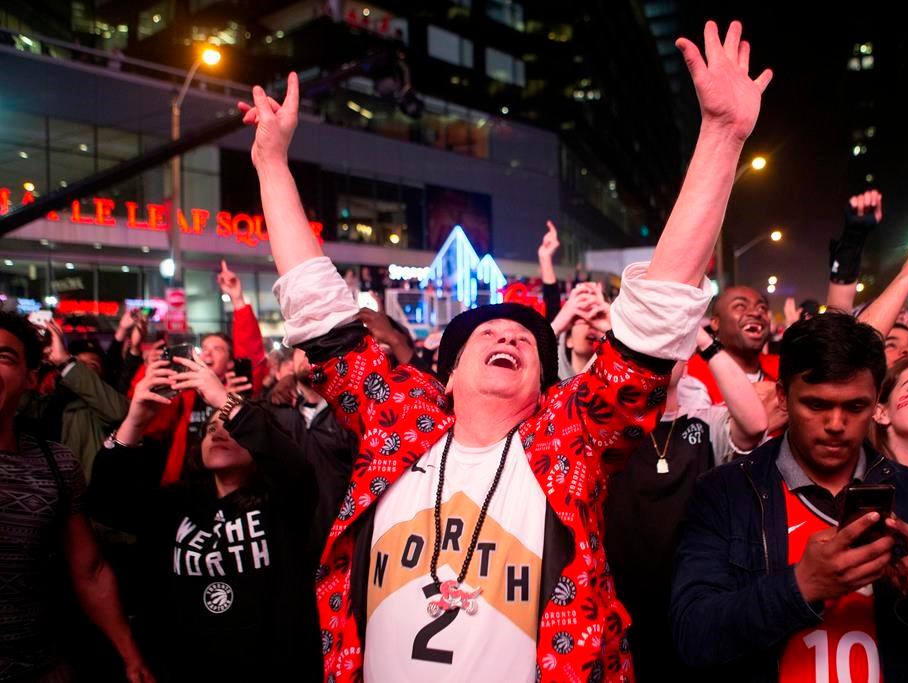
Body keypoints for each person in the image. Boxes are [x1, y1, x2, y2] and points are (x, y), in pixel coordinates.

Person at [239, 18, 771, 681]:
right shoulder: (394, 426)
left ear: (546, 387)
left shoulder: (566, 445)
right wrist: (268, 161)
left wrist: (721, 137)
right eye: (485, 334)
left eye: (525, 339)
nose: (506, 336)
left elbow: (654, 323)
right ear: (448, 374)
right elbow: (318, 307)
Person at [671, 312, 908, 681]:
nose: (836, 424)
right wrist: (800, 587)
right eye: (817, 405)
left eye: (855, 407)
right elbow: (692, 637)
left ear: (875, 404)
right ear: (783, 397)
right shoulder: (725, 493)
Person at [89, 355, 321, 682]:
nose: (219, 432)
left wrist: (223, 399)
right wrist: (134, 422)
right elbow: (106, 503)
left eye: (231, 426)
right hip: (185, 667)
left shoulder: (284, 502)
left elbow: (295, 467)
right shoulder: (177, 502)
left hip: (269, 667)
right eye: (211, 428)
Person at [605, 326, 767, 677]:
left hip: (692, 597)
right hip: (624, 599)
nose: (660, 352)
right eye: (649, 345)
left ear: (686, 360)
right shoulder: (610, 429)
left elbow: (755, 424)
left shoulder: (704, 422)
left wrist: (705, 341)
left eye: (670, 345)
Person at [0, 311, 152, 682]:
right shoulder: (45, 408)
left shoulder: (55, 461)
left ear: (30, 376)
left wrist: (131, 656)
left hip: (40, 666)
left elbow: (91, 571)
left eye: (4, 358)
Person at [135, 260, 264, 484]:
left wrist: (237, 300)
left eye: (218, 349)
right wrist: (150, 372)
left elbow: (251, 353)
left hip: (229, 482)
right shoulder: (185, 392)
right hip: (184, 484)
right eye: (204, 348)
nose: (208, 353)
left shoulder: (238, 388)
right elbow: (150, 422)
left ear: (231, 360)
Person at [266, 347, 358, 547]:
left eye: (315, 346)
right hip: (284, 539)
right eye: (300, 348)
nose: (307, 354)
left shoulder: (350, 413)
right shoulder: (274, 409)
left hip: (339, 538)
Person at [19, 321, 129, 480]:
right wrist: (32, 358)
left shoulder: (100, 410)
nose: (81, 366)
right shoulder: (46, 402)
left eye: (92, 365)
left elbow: (120, 412)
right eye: (78, 362)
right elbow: (17, 403)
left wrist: (65, 361)